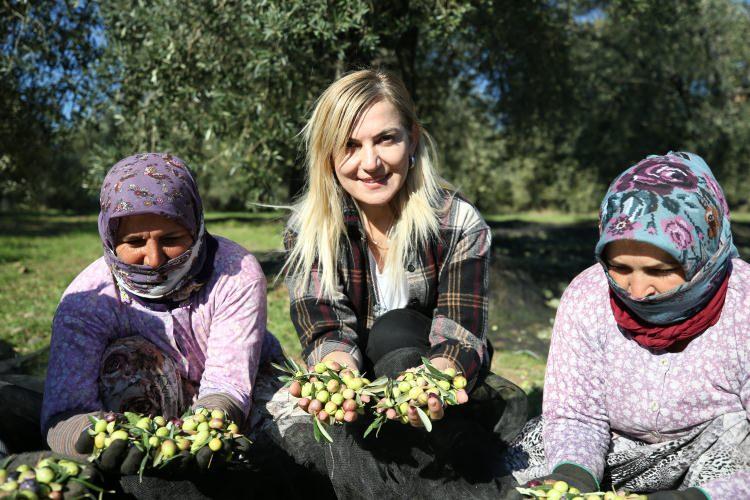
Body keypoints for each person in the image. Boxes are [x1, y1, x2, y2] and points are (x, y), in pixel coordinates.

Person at [264, 69, 526, 499]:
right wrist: (335, 374)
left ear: (413, 139)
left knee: (397, 331)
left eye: (386, 139)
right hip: (358, 390)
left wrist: (435, 380)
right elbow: (326, 329)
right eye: (350, 145)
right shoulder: (309, 231)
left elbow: (460, 330)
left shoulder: (458, 223)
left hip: (433, 389)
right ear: (327, 155)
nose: (370, 163)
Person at [34, 153, 299, 496]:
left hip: (246, 389)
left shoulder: (236, 273)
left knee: (290, 432)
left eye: (171, 238)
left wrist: (209, 423)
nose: (154, 258)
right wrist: (89, 437)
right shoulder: (85, 301)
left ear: (195, 227)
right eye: (134, 242)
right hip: (152, 397)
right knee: (124, 362)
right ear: (110, 240)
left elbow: (229, 385)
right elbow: (64, 410)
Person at [506, 152, 750, 499]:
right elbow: (576, 415)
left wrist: (696, 497)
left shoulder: (744, 304)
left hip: (719, 457)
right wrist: (574, 477)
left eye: (659, 271)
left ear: (702, 249)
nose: (637, 291)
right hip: (616, 450)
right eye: (620, 268)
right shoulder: (588, 296)